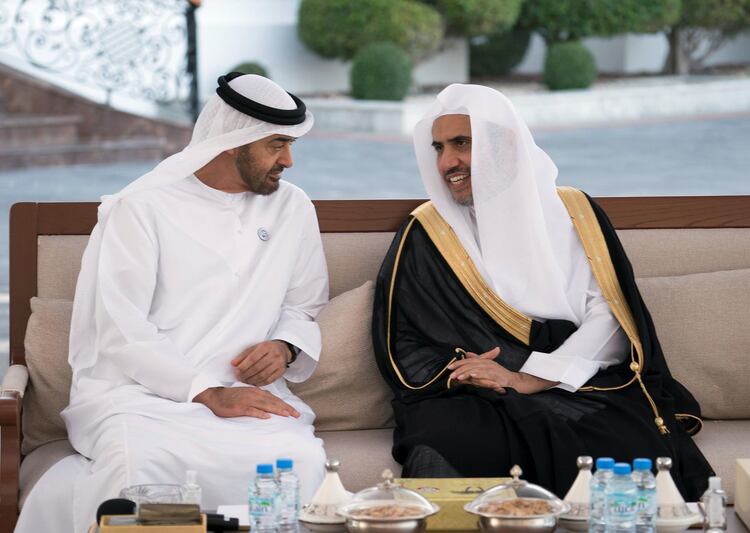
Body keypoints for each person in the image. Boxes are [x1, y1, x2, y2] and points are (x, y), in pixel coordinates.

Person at [15, 73, 329, 533]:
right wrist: (208, 392)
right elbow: (122, 329)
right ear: (232, 142)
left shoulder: (293, 207)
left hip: (249, 398)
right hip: (140, 397)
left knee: (298, 462)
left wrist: (285, 346)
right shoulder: (142, 207)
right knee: (138, 467)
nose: (289, 160)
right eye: (276, 145)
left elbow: (305, 303)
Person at [372, 84, 713, 500]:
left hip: (572, 378)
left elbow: (609, 315)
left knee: (621, 441)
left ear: (504, 146)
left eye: (461, 143)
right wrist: (470, 370)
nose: (447, 162)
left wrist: (531, 377)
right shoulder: (425, 231)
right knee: (442, 442)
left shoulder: (575, 212)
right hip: (474, 391)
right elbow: (403, 337)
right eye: (439, 148)